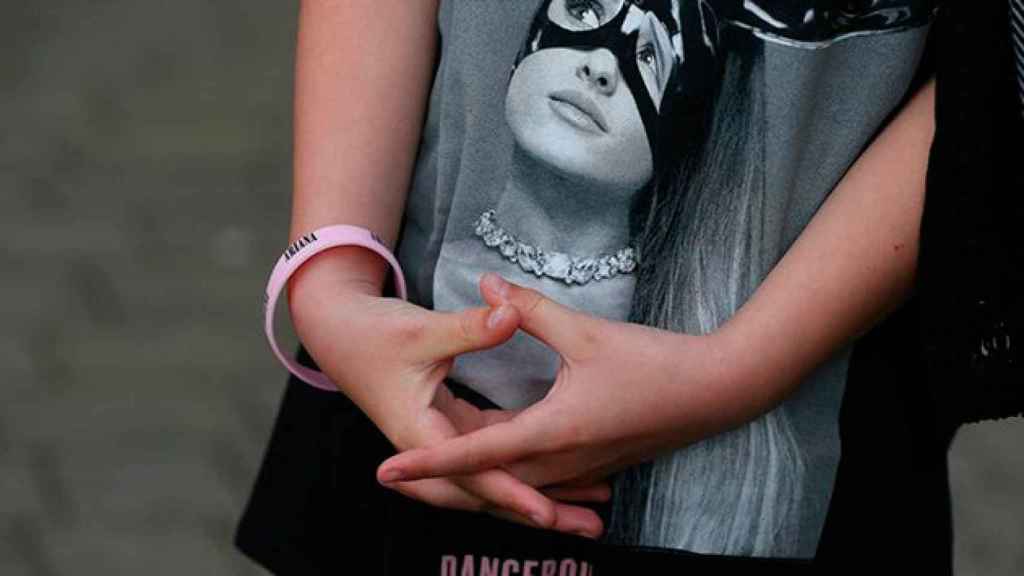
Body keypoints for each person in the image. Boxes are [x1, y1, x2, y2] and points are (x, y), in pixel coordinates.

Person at [236, 1, 950, 573]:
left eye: (647, 57)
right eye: (580, 15)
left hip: (806, 437)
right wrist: (332, 282)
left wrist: (737, 372)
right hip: (388, 393)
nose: (600, 66)